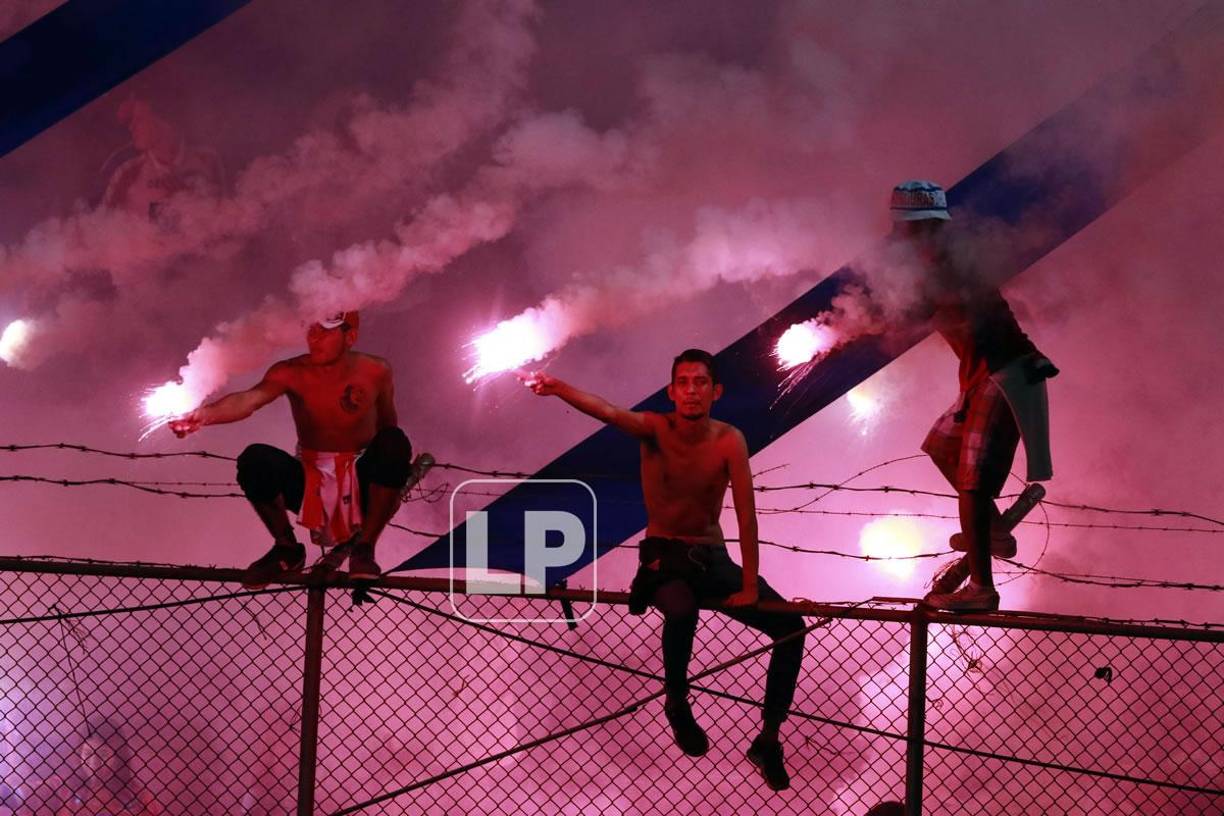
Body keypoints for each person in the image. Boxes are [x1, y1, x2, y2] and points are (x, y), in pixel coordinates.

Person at [523, 350, 807, 791]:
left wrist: (750, 583)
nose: (692, 390)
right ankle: (676, 700)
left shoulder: (729, 439)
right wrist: (558, 387)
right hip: (665, 557)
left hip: (712, 559)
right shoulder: (654, 428)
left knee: (791, 627)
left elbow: (746, 515)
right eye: (684, 382)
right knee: (680, 608)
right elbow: (607, 410)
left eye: (700, 382)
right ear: (672, 391)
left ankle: (768, 739)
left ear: (715, 391)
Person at [888, 180, 1057, 612]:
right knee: (942, 444)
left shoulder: (945, 264)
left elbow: (919, 307)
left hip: (1004, 374)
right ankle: (993, 531)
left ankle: (981, 588)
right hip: (984, 377)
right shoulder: (941, 261)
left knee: (973, 485)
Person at [169, 311, 413, 589]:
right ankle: (286, 548)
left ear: (350, 336)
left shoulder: (376, 370)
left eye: (325, 331)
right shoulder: (290, 371)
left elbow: (387, 426)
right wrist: (204, 415)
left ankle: (364, 549)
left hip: (359, 479)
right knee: (255, 459)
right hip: (311, 481)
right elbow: (249, 400)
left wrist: (390, 481)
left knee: (394, 441)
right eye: (312, 329)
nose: (314, 338)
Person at [57, 719, 159, 816]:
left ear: (118, 756)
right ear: (79, 754)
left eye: (103, 754)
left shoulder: (139, 798)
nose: (94, 763)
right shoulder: (62, 788)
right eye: (87, 754)